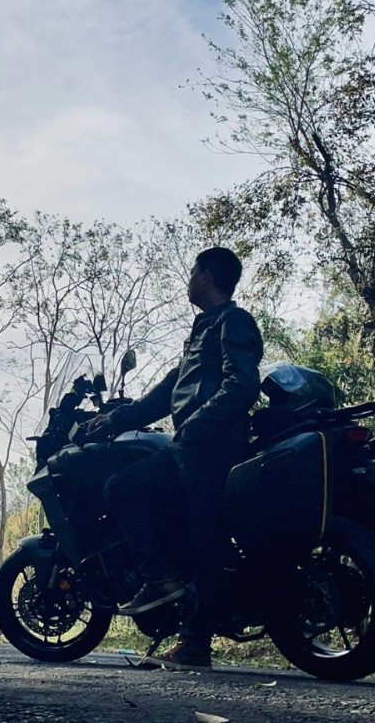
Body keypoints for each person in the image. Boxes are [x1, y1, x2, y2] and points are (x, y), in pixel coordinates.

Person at [88, 246, 263, 671]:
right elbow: (167, 392)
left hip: (209, 446)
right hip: (193, 444)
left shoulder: (232, 321)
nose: (189, 281)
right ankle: (169, 590)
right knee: (164, 514)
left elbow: (242, 384)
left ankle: (187, 629)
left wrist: (197, 424)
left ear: (206, 276)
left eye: (192, 272)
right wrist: (114, 419)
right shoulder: (204, 330)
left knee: (198, 535)